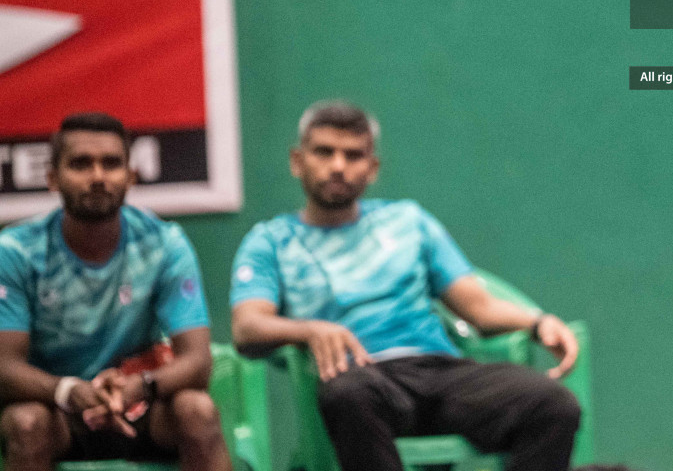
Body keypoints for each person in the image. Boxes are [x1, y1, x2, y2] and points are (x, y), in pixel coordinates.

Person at [229, 101, 591, 471]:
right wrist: (309, 330)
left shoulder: (409, 221)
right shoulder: (270, 242)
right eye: (324, 151)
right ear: (297, 160)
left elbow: (479, 307)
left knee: (552, 403)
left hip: (441, 374)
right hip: (363, 380)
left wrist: (537, 322)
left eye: (353, 155)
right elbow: (247, 327)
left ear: (372, 169)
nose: (338, 165)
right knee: (347, 393)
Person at [0, 113, 230, 471]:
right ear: (52, 179)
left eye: (111, 163)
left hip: (139, 407)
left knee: (197, 411)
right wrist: (68, 391)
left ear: (131, 176)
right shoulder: (15, 252)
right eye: (80, 164)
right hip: (57, 412)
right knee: (25, 422)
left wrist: (140, 386)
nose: (97, 177)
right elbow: (4, 367)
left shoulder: (164, 244)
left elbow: (198, 363)